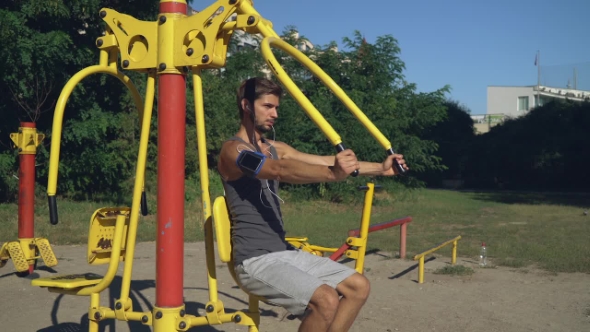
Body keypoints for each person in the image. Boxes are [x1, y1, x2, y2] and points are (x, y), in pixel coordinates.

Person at [217, 77, 408, 332]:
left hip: (284, 253)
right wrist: (333, 175)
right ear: (246, 106)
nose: (275, 113)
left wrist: (381, 169)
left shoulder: (275, 147)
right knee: (326, 300)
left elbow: (323, 161)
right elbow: (278, 170)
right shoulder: (234, 151)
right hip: (255, 261)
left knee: (358, 286)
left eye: (277, 108)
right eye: (268, 106)